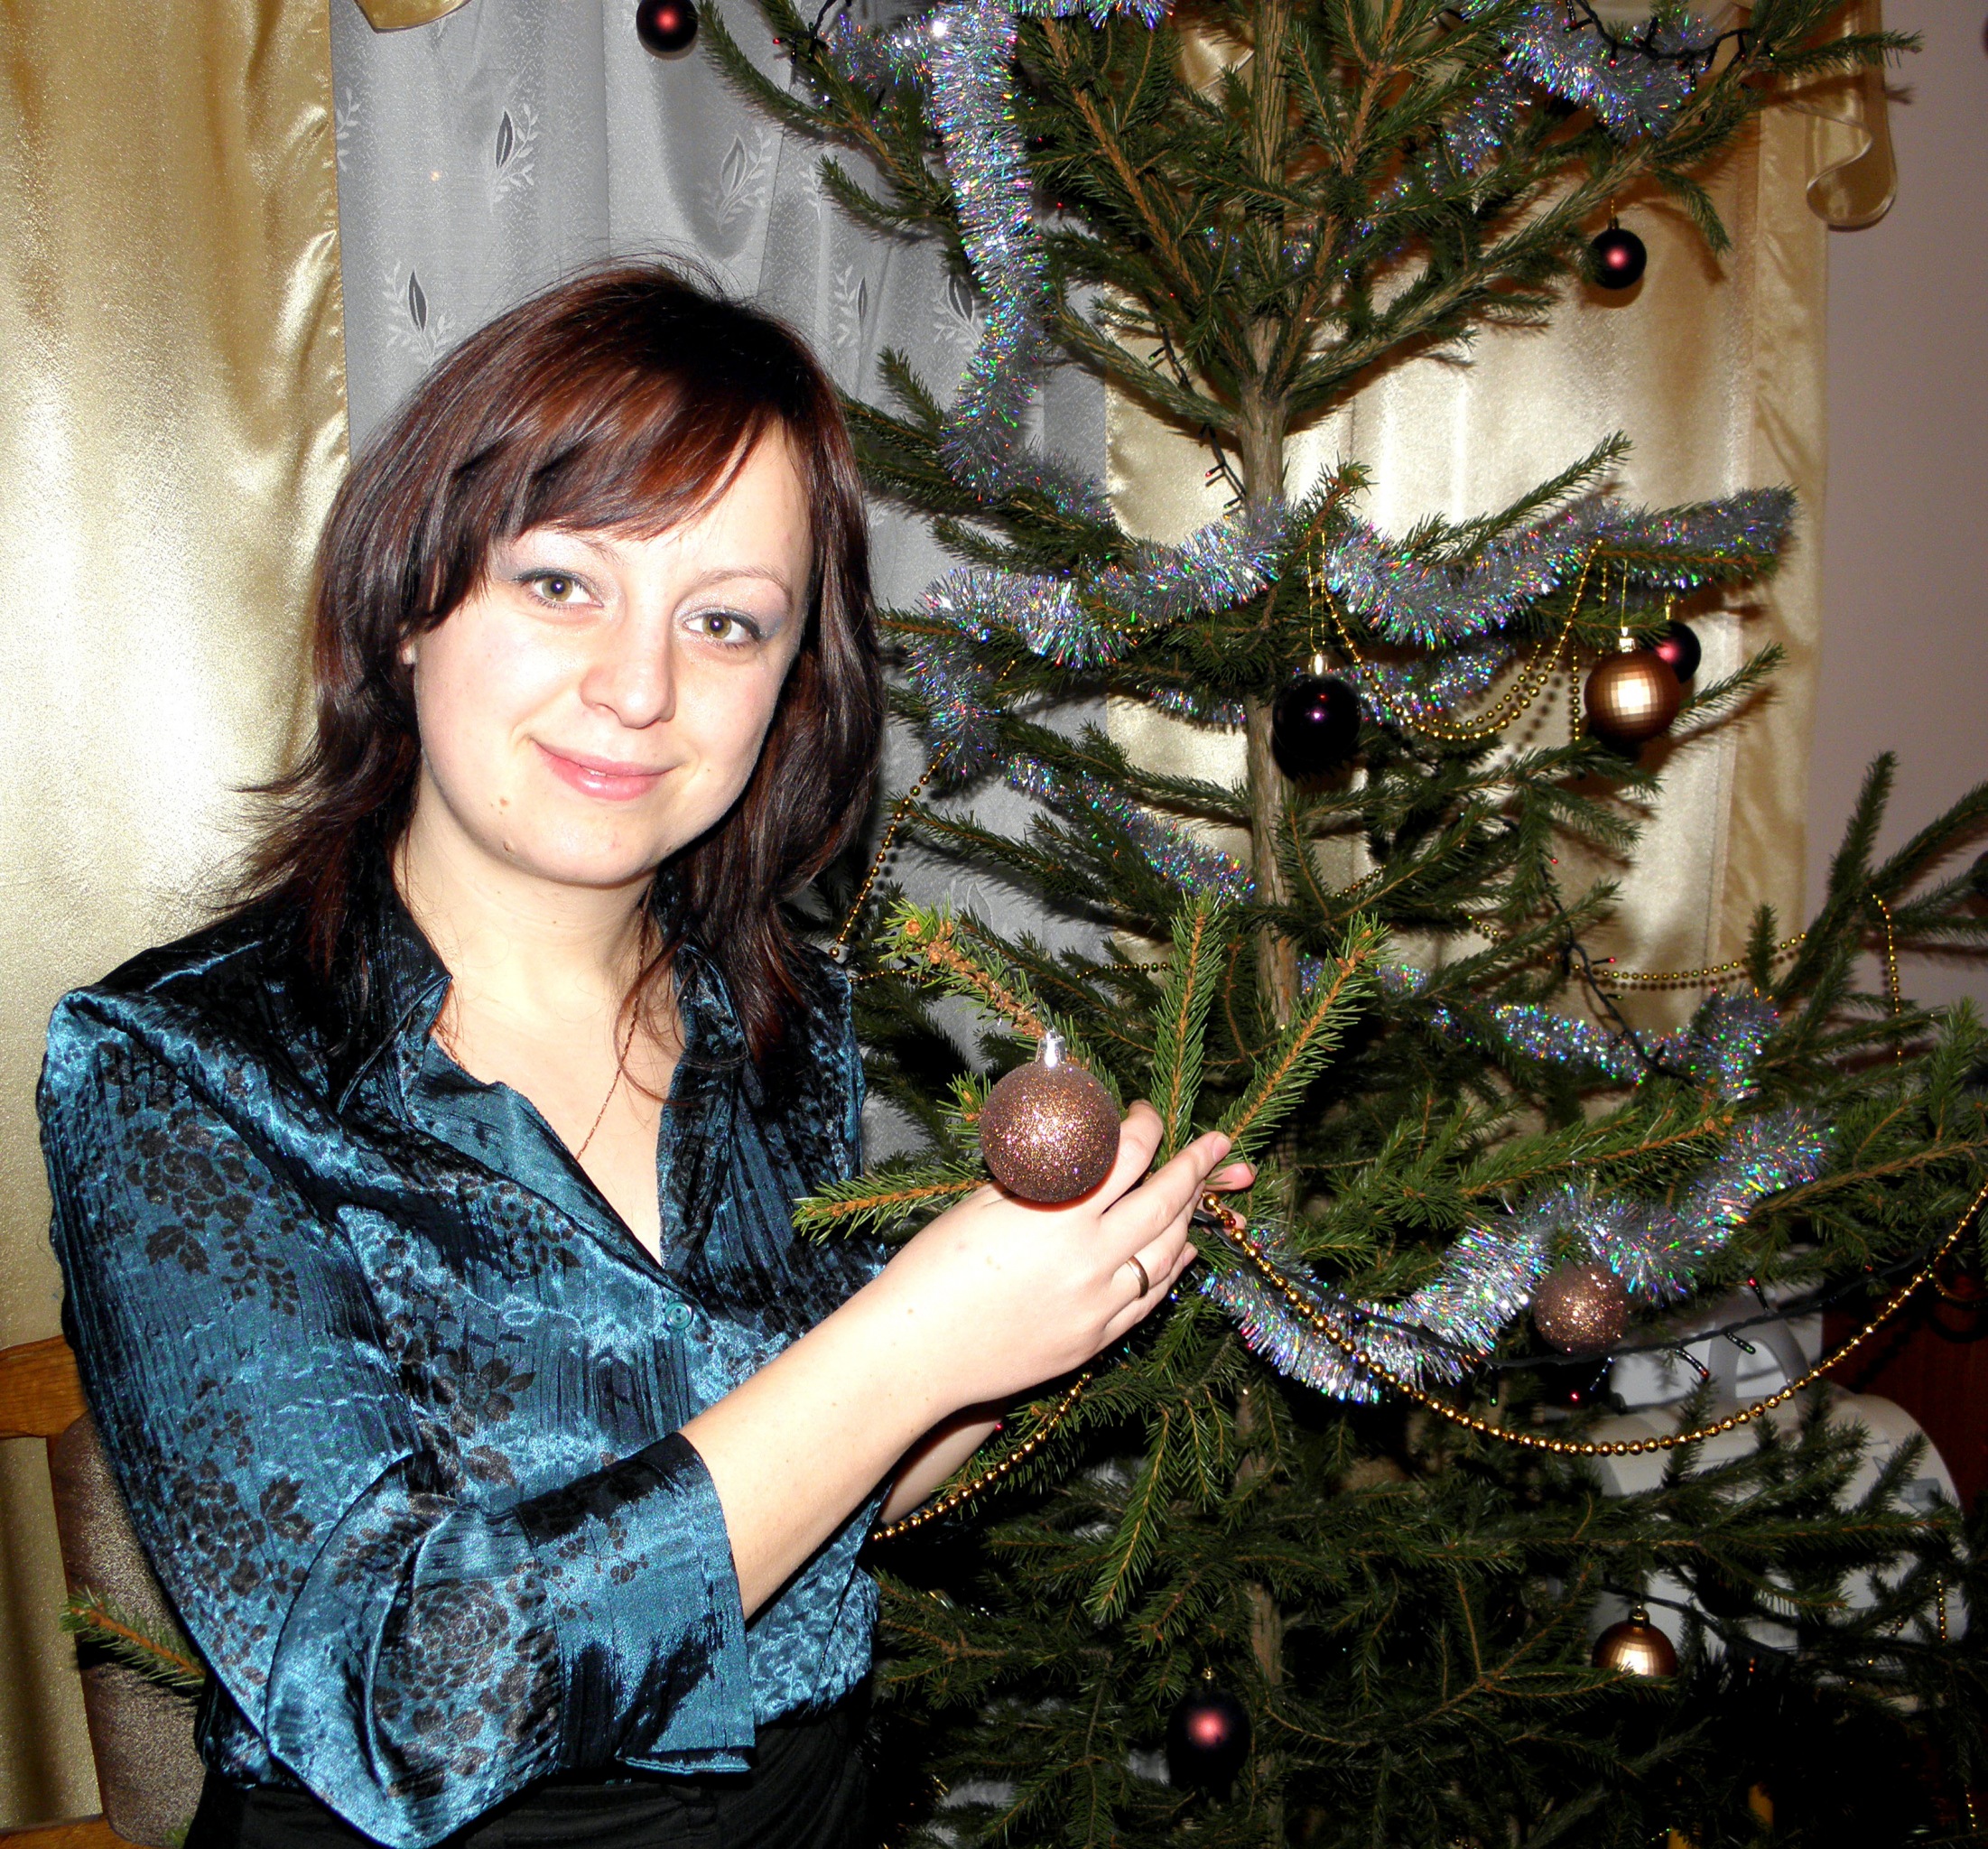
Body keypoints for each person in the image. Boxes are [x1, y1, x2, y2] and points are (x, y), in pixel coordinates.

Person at [36, 265, 1247, 1849]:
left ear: (791, 688)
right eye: (561, 583)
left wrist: (1024, 1323)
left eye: (725, 621)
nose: (638, 687)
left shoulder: (782, 1023)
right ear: (407, 608)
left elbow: (806, 1506)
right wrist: (908, 1347)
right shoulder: (180, 1068)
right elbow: (401, 1701)